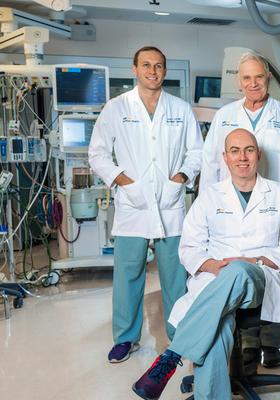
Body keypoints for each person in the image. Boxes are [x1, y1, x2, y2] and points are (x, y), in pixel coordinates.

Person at [132, 129, 280, 400]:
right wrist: (212, 266)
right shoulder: (210, 196)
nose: (242, 157)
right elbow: (189, 248)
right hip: (216, 279)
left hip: (260, 277)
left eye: (248, 150)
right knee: (219, 327)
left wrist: (251, 261)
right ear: (225, 157)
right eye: (235, 151)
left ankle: (173, 354)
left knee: (238, 271)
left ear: (257, 154)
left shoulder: (279, 195)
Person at [88, 46, 203, 363]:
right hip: (132, 206)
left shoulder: (180, 109)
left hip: (170, 204)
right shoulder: (116, 108)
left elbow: (196, 152)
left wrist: (179, 178)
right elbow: (97, 154)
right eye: (147, 65)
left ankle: (179, 339)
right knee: (128, 274)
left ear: (164, 71)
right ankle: (125, 338)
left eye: (159, 66)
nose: (153, 71)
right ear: (135, 69)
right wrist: (125, 182)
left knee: (175, 276)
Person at [200, 51, 280, 370]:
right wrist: (210, 205)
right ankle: (244, 342)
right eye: (246, 78)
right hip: (232, 208)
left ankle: (271, 343)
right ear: (239, 81)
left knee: (274, 275)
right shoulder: (226, 116)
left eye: (258, 77)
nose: (252, 83)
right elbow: (210, 163)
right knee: (235, 275)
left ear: (268, 79)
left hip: (276, 210)